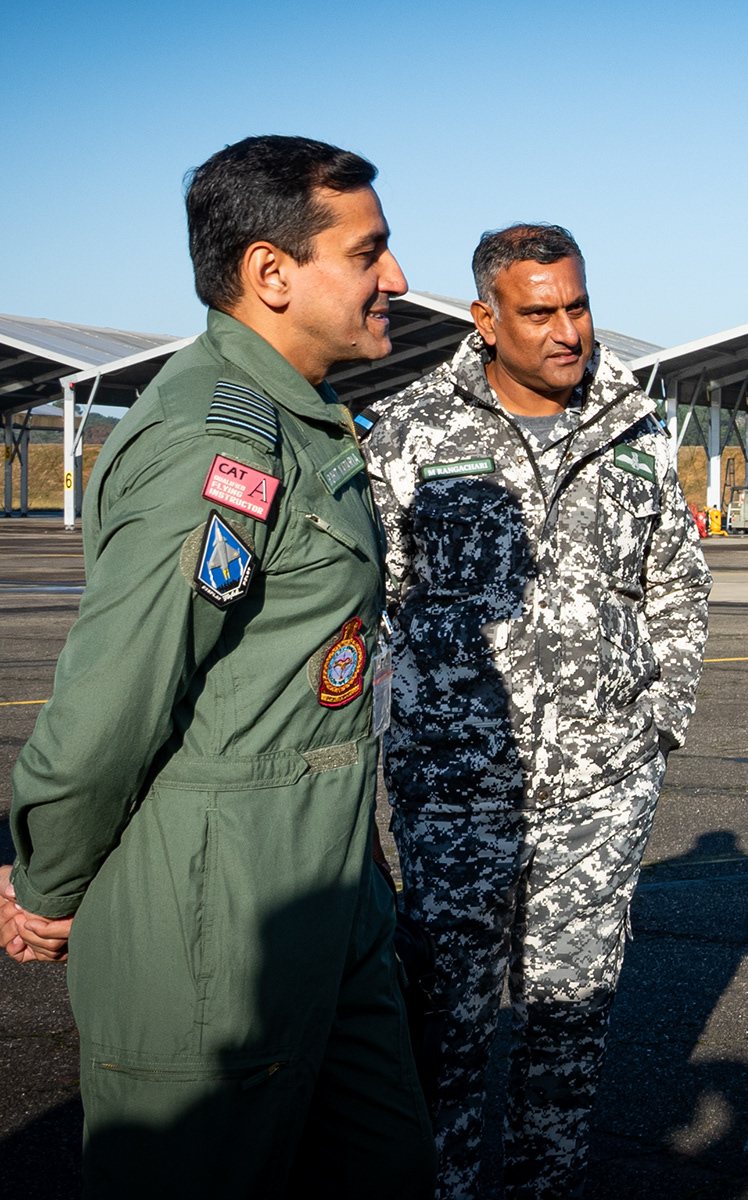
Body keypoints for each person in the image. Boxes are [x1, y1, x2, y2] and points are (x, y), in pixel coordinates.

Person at [0, 136, 434, 1196]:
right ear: (271, 273)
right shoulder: (218, 445)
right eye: (369, 251)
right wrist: (46, 882)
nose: (399, 279)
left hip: (330, 901)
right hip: (216, 928)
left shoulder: (308, 429)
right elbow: (112, 702)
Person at [361, 223, 710, 1200]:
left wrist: (658, 723)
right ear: (486, 318)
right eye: (539, 312)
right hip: (455, 796)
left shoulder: (633, 427)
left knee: (569, 1032)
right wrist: (409, 744)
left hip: (599, 795)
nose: (567, 331)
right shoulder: (416, 431)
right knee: (447, 1033)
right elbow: (368, 604)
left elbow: (677, 582)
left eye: (578, 306)